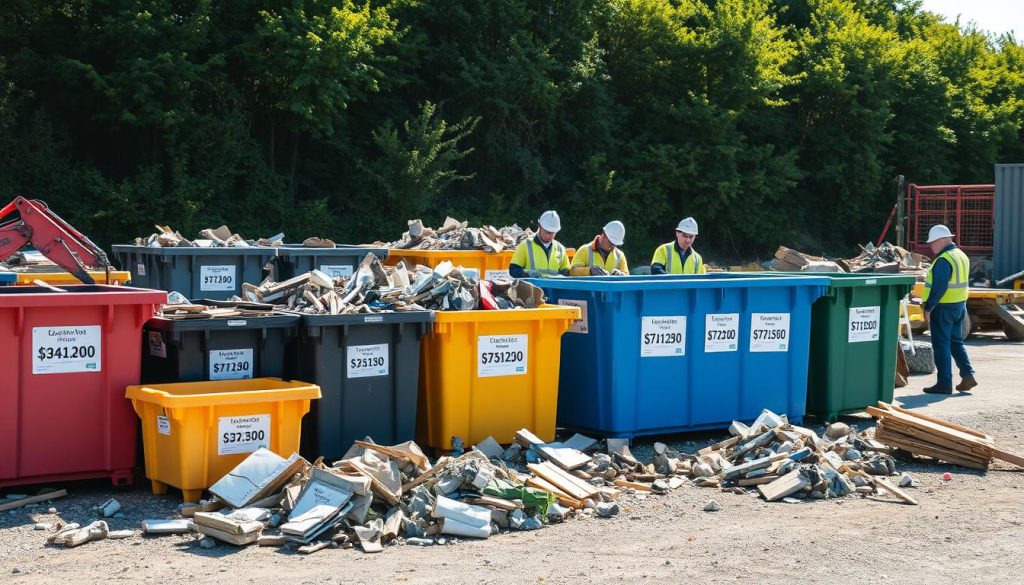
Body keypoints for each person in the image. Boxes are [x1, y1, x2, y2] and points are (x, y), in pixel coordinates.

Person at [922, 224, 977, 394]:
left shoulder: (944, 259)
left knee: (941, 345)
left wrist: (928, 307)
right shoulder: (961, 255)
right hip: (959, 306)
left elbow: (939, 287)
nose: (931, 246)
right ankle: (968, 375)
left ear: (944, 240)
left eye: (933, 242)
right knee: (955, 342)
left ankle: (944, 383)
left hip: (943, 308)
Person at [509, 210, 570, 278]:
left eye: (553, 233)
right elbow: (513, 270)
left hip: (554, 288)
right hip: (532, 288)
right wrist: (527, 274)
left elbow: (566, 272)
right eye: (547, 232)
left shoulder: (560, 248)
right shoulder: (525, 245)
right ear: (539, 227)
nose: (549, 236)